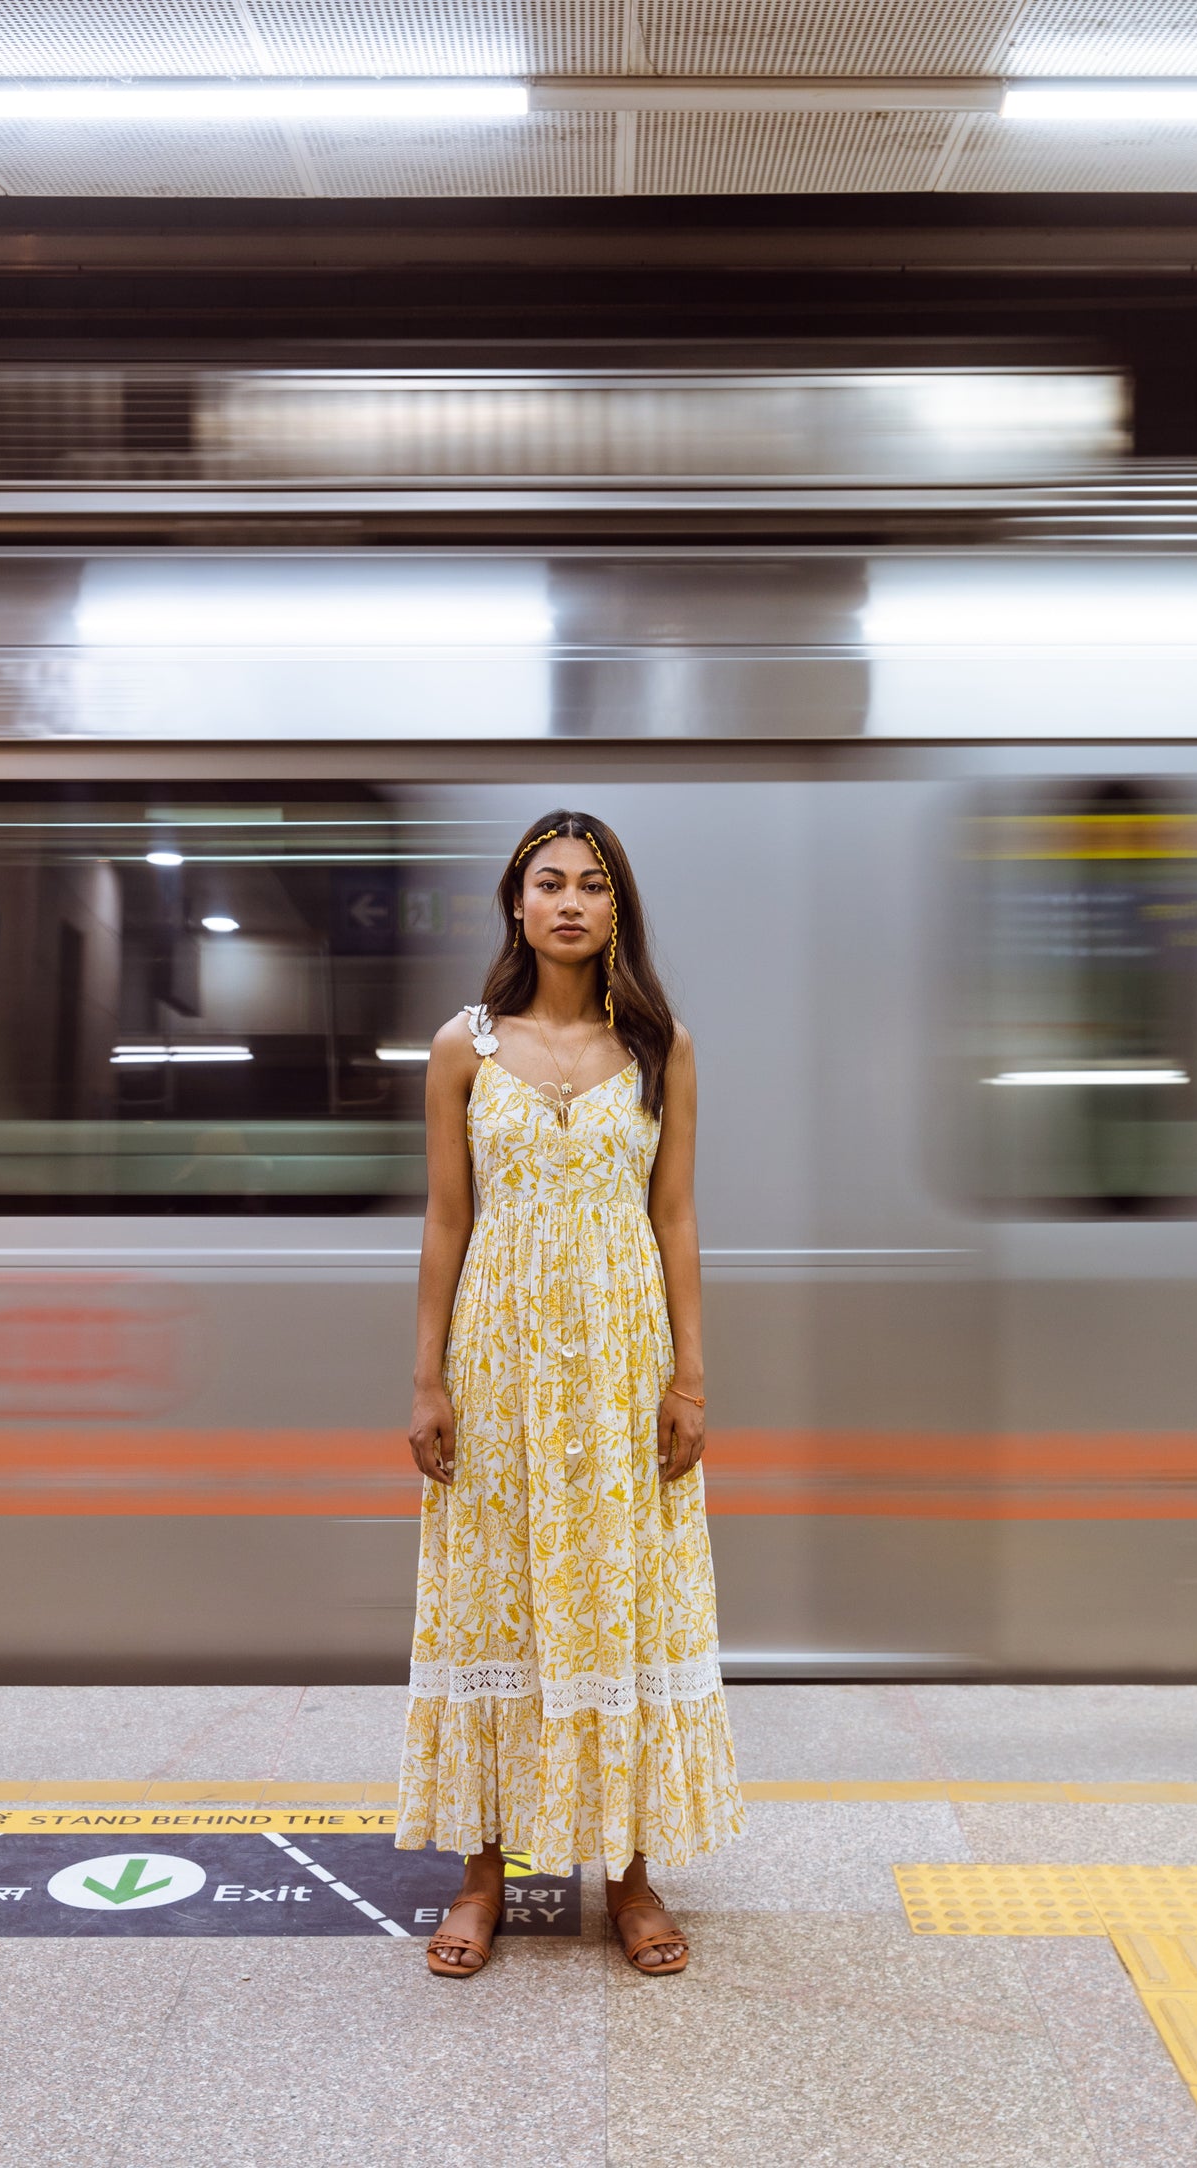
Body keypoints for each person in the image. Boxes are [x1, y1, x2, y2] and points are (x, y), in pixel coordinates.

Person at [395, 809, 744, 1978]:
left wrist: (689, 1374)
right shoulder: (464, 1047)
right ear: (513, 901)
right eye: (547, 881)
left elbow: (675, 1215)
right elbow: (448, 1218)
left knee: (616, 1601)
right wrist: (426, 1374)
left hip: (616, 1361)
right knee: (495, 1601)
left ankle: (627, 1876)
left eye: (592, 884)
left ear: (614, 908)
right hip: (496, 1360)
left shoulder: (660, 1046)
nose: (569, 902)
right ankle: (480, 1875)